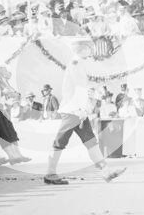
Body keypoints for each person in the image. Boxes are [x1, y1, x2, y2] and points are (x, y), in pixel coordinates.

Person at [44, 42, 126, 185]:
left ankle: (106, 171)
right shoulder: (75, 63)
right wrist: (80, 109)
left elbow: (82, 87)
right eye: (88, 47)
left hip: (78, 111)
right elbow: (76, 88)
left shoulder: (79, 64)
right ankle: (50, 174)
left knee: (91, 142)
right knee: (60, 142)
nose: (91, 49)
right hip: (72, 111)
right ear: (81, 49)